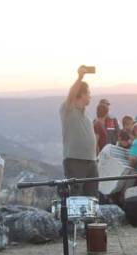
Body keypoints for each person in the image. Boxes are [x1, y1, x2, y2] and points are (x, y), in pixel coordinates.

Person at [60, 66, 98, 197]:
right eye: (88, 93)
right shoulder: (68, 109)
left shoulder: (86, 115)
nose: (90, 96)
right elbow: (71, 94)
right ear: (81, 94)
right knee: (76, 197)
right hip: (75, 160)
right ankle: (76, 219)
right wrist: (80, 77)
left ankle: (91, 219)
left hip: (91, 161)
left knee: (92, 198)